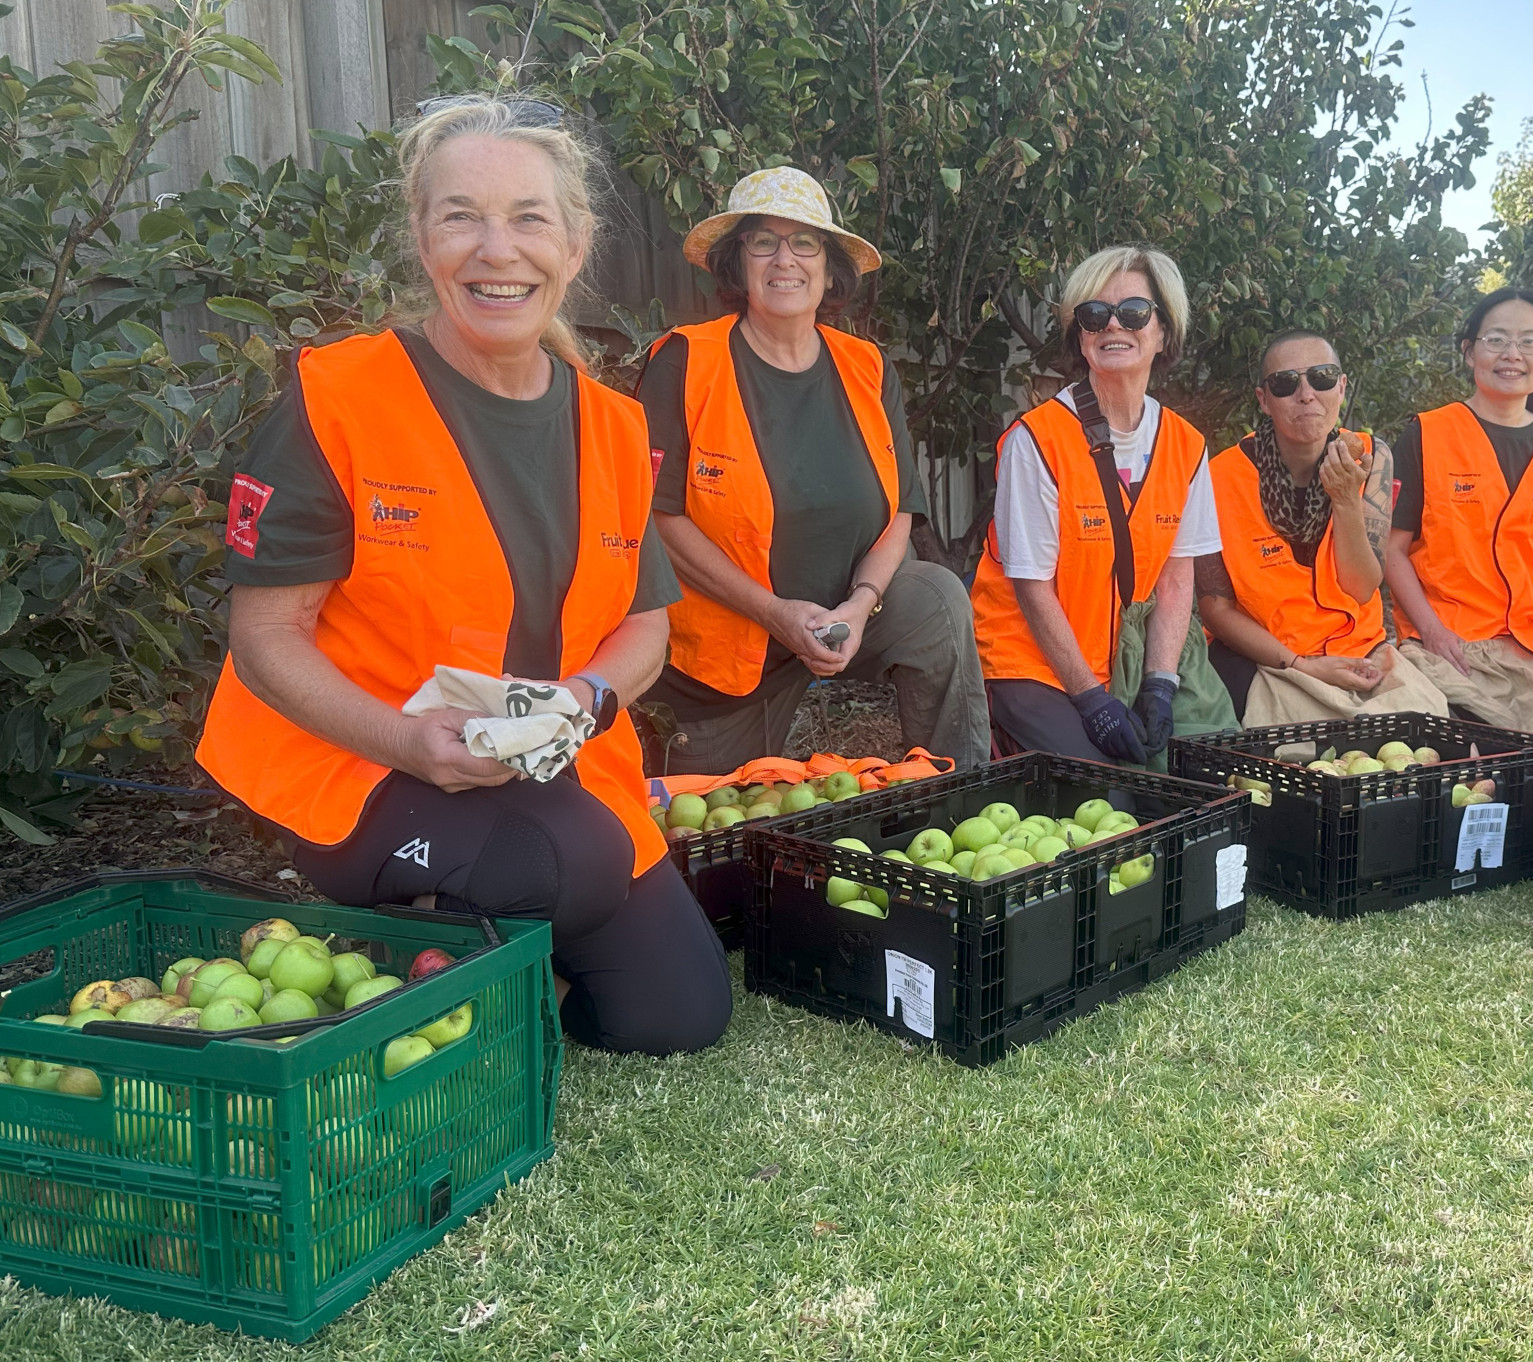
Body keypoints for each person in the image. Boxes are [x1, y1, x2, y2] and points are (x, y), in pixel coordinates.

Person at [197, 96, 731, 1057]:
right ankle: (426, 947)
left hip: (551, 766)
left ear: (575, 245)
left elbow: (644, 628)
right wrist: (406, 739)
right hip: (358, 762)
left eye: (528, 217)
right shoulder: (341, 395)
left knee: (679, 1013)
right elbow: (264, 637)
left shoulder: (615, 425)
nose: (497, 250)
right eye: (461, 216)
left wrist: (584, 700)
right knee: (570, 858)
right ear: (420, 234)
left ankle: (478, 941)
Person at [636, 167, 987, 774]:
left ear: (829, 268)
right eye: (763, 241)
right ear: (735, 262)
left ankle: (952, 791)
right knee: (721, 826)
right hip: (731, 642)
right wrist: (775, 613)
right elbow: (660, 517)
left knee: (936, 598)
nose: (784, 260)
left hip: (842, 619)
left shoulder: (868, 368)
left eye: (804, 243)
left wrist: (859, 606)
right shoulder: (686, 361)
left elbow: (899, 509)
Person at [971, 244, 1226, 764]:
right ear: (1079, 335)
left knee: (1205, 778)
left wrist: (1159, 682)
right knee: (1115, 800)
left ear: (1163, 332)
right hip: (1031, 662)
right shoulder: (1037, 439)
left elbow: (1178, 579)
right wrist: (1092, 700)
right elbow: (1031, 586)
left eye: (1134, 312)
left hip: (1123, 659)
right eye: (1094, 314)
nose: (1114, 326)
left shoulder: (1186, 445)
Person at [1381, 287, 1533, 736]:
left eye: (1529, 341)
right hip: (1451, 646)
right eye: (1496, 340)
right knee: (1474, 749)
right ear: (1470, 352)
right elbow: (1392, 549)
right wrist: (1431, 632)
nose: (1512, 354)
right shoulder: (1427, 436)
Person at [1196, 329, 1448, 725]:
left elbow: (1361, 586)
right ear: (1264, 400)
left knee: (1424, 722)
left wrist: (1345, 498)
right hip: (1266, 654)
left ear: (1342, 386)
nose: (1306, 394)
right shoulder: (1219, 477)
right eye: (1285, 383)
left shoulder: (1369, 456)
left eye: (1322, 377)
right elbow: (1216, 610)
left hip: (1357, 648)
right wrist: (1302, 665)